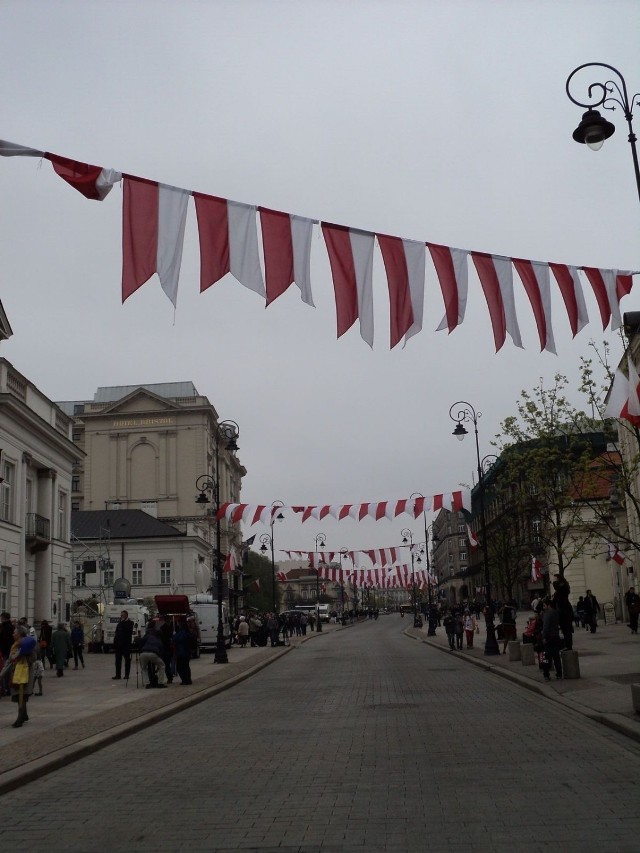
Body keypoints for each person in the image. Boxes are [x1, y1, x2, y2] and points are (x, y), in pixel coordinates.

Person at [0, 624, 37, 727]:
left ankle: (20, 718)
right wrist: (1, 674)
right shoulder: (15, 645)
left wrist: (24, 655)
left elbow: (34, 658)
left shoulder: (28, 644)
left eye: (14, 633)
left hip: (25, 673)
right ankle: (24, 715)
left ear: (20, 634)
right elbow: (10, 661)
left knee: (22, 695)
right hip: (15, 673)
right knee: (19, 695)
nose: (13, 634)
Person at [138, 622, 168, 688]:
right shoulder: (159, 640)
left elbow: (141, 642)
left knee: (144, 668)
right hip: (153, 653)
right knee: (162, 666)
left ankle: (147, 684)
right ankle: (160, 683)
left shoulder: (148, 636)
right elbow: (161, 651)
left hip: (143, 653)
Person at [541, 598, 563, 680]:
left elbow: (546, 627)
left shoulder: (547, 614)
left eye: (544, 606)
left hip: (548, 637)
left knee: (546, 657)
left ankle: (546, 674)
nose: (543, 607)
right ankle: (559, 673)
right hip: (556, 636)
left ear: (548, 605)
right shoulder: (556, 612)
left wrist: (543, 637)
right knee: (556, 656)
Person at [552, 573, 573, 650]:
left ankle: (569, 645)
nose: (554, 580)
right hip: (561, 610)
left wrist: (554, 582)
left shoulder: (563, 585)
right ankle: (566, 644)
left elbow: (557, 588)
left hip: (565, 610)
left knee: (567, 629)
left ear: (558, 578)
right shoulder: (560, 587)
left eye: (555, 578)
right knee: (564, 629)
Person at [112, 610, 134, 680]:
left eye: (122, 615)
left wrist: (122, 622)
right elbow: (116, 633)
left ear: (126, 615)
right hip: (118, 645)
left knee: (127, 660)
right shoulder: (120, 623)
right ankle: (118, 675)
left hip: (126, 645)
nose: (121, 616)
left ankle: (126, 675)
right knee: (117, 660)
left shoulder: (130, 623)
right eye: (121, 615)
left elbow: (128, 631)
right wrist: (115, 643)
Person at [173, 619, 193, 685]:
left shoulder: (182, 633)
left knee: (180, 667)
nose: (177, 624)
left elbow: (176, 639)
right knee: (186, 666)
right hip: (186, 652)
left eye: (178, 623)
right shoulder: (187, 632)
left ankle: (185, 680)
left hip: (181, 652)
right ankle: (187, 679)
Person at [0, 611, 14, 694]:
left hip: (6, 651)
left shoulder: (6, 627)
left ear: (4, 618)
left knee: (5, 670)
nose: (0, 619)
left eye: (1, 618)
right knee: (7, 670)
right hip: (9, 651)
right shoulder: (10, 627)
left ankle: (6, 688)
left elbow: (5, 641)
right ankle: (7, 688)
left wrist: (2, 650)